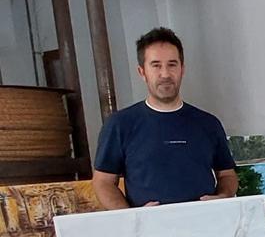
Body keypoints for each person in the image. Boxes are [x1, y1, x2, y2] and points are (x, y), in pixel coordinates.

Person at [92, 27, 237, 209]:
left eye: (172, 64)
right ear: (142, 72)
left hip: (204, 229)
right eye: (156, 65)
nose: (165, 74)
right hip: (149, 232)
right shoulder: (120, 125)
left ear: (182, 69)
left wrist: (223, 196)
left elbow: (227, 175)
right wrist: (131, 218)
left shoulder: (209, 123)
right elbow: (103, 182)